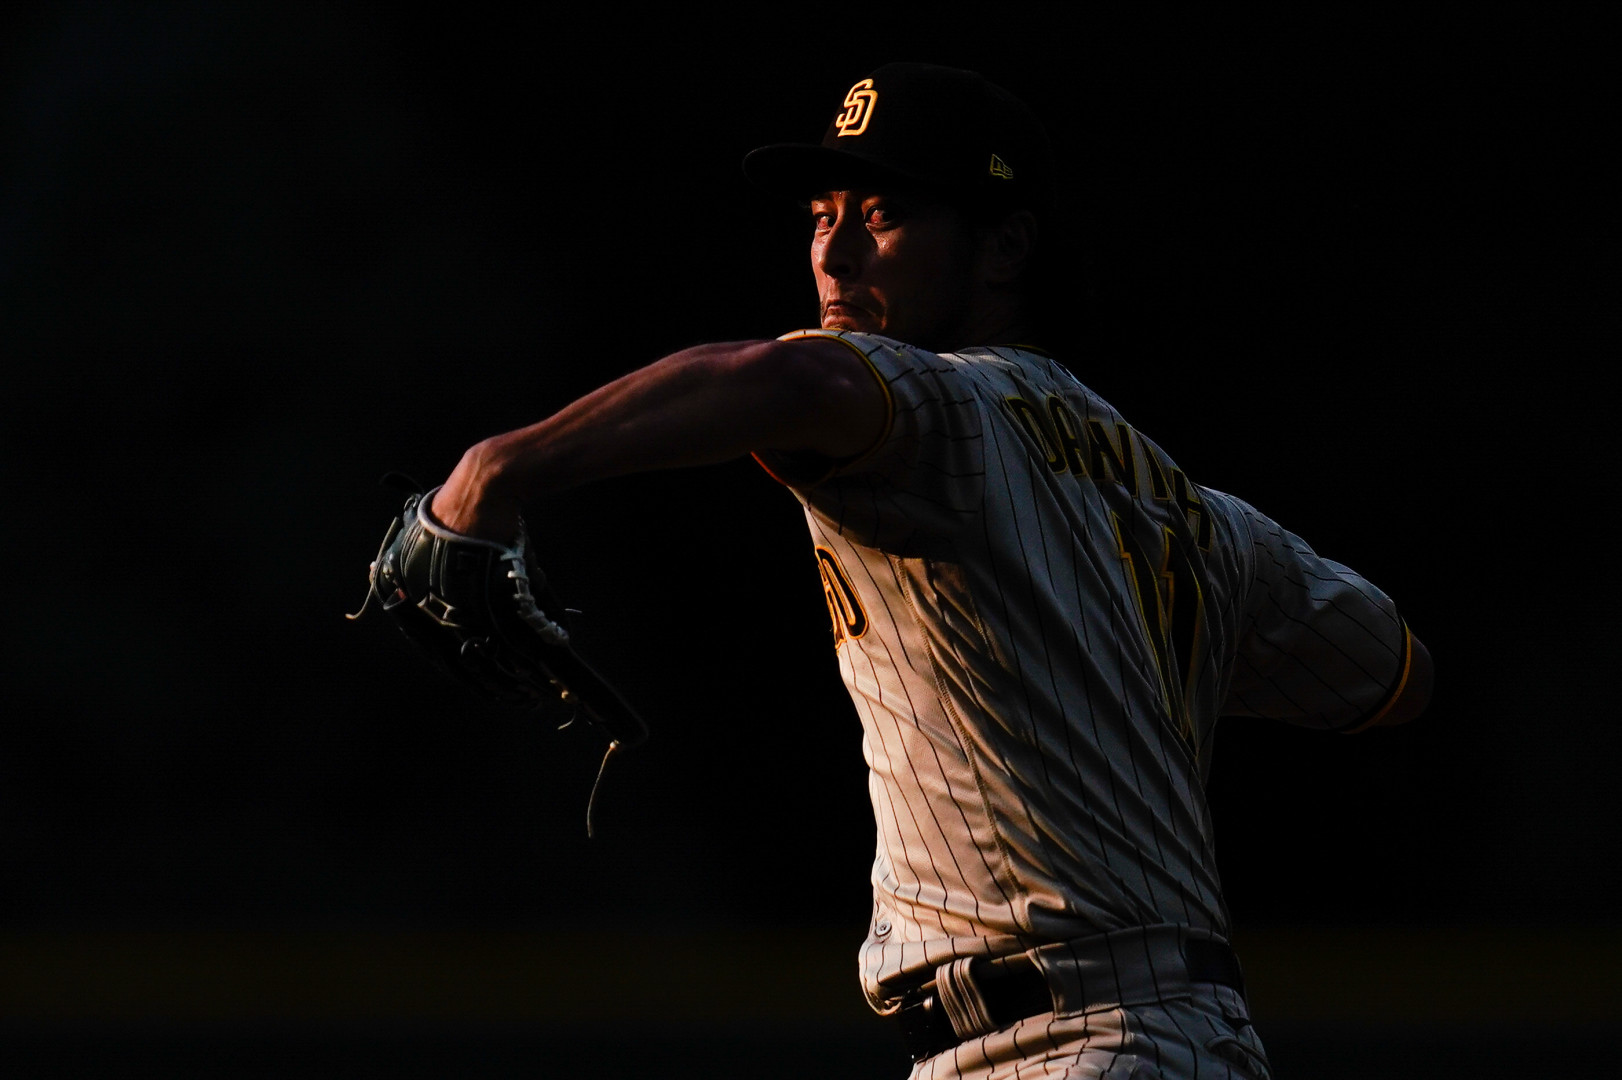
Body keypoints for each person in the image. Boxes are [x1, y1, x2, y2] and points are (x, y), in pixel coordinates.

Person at [430, 63, 1432, 1080]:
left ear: (1001, 248)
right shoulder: (1203, 522)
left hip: (1079, 1044)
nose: (835, 248)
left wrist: (491, 469)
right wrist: (1114, 645)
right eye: (820, 215)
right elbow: (1391, 671)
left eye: (883, 213)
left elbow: (781, 379)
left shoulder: (946, 410)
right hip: (1150, 1032)